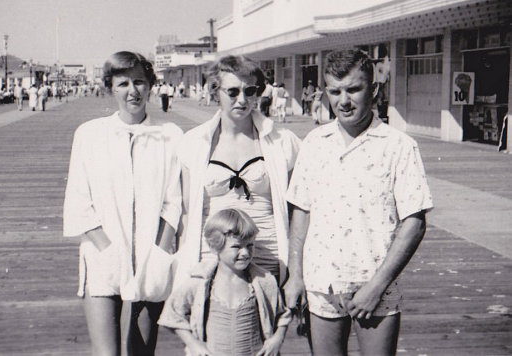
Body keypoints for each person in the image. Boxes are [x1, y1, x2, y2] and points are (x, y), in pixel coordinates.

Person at [284, 49, 434, 355]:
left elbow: (415, 223)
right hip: (321, 283)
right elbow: (301, 211)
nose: (344, 101)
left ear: (375, 90)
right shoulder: (314, 142)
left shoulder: (399, 146)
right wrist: (295, 276)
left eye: (354, 89)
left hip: (376, 286)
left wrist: (376, 287)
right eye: (335, 91)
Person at [63, 51, 182, 356]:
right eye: (124, 83)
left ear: (151, 86)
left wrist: (157, 254)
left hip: (149, 260)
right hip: (103, 257)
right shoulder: (90, 134)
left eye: (140, 82)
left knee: (143, 352)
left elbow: (173, 202)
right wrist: (109, 252)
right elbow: (79, 202)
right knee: (106, 353)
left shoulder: (169, 137)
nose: (133, 91)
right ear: (111, 87)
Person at [174, 55, 301, 288]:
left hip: (268, 255)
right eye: (232, 92)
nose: (242, 99)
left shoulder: (283, 141)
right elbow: (185, 211)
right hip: (211, 257)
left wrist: (296, 271)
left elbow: (297, 212)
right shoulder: (193, 142)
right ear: (215, 92)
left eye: (250, 91)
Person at [159, 208, 291, 356]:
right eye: (236, 247)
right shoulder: (200, 283)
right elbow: (172, 314)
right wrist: (193, 344)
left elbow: (283, 316)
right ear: (215, 246)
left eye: (250, 245)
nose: (245, 253)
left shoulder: (263, 281)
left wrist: (276, 339)